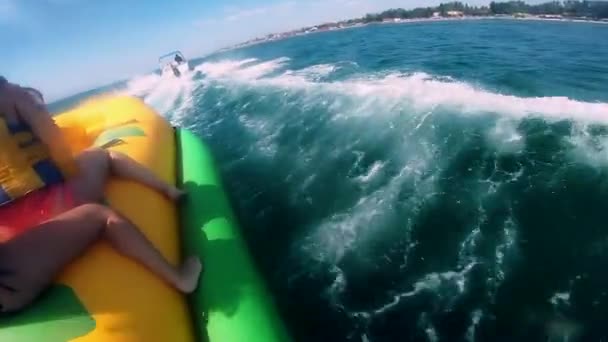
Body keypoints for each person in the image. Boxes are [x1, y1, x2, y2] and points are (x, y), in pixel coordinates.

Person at [0, 78, 202, 314]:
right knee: (102, 166)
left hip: (7, 226)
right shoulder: (17, 96)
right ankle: (179, 276)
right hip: (47, 212)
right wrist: (77, 181)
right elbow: (57, 146)